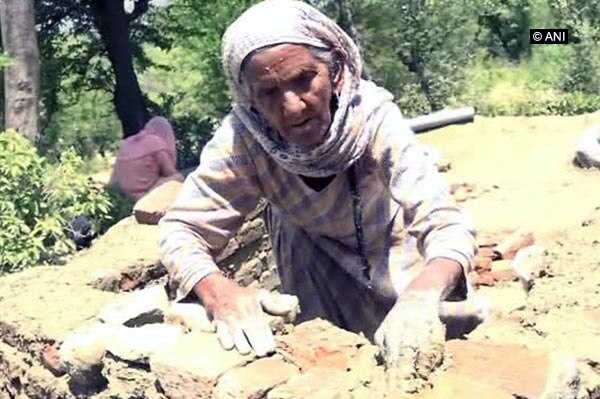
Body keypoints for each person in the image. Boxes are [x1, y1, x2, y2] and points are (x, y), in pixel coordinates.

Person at [159, 0, 482, 377]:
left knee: (430, 355)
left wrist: (422, 296)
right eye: (269, 92)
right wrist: (219, 293)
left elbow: (445, 222)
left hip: (388, 252)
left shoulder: (372, 118)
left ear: (336, 71)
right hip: (311, 259)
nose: (293, 107)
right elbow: (181, 230)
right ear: (250, 100)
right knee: (329, 368)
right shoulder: (245, 139)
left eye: (303, 79)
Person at [109, 116, 183, 201]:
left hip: (123, 194)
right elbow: (170, 172)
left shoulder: (128, 142)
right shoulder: (156, 143)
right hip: (143, 197)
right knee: (178, 177)